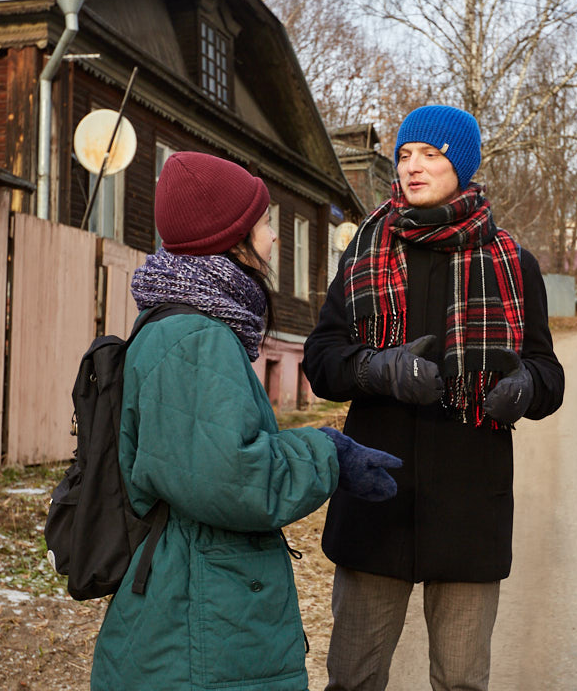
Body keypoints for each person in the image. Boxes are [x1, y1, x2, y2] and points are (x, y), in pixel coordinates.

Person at [90, 151, 403, 691]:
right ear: (228, 238)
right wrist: (328, 452)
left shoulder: (189, 324)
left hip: (200, 602)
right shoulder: (194, 339)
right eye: (263, 223)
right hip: (203, 618)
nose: (275, 237)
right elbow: (235, 479)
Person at [303, 106, 565, 691]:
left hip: (470, 505)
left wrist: (525, 388)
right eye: (404, 154)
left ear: (463, 165)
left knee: (463, 683)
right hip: (377, 498)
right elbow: (321, 360)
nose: (412, 166)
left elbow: (549, 370)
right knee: (352, 679)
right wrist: (376, 368)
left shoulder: (514, 265)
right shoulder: (367, 252)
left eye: (431, 153)